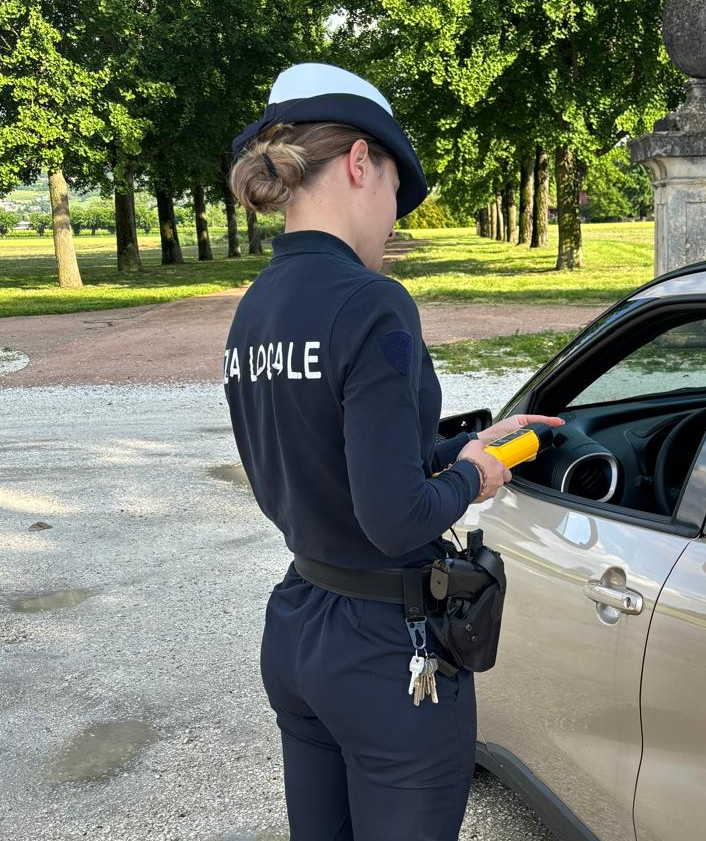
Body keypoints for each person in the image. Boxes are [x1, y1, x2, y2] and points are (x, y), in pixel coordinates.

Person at [223, 62, 563, 840]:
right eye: (393, 197)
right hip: (387, 650)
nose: (390, 225)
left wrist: (456, 447)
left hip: (301, 623)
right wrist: (479, 472)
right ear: (358, 163)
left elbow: (324, 454)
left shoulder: (258, 307)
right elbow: (392, 515)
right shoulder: (371, 301)